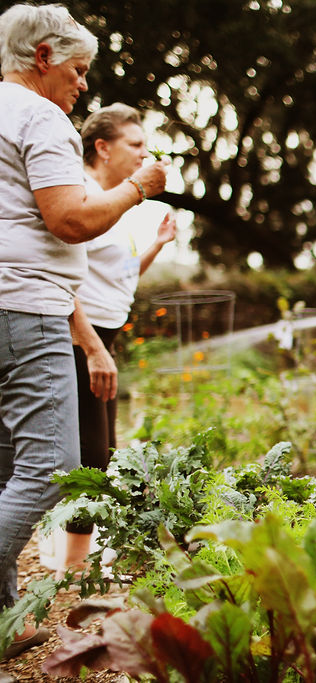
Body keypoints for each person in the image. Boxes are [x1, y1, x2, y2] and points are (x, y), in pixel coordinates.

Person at [0, 3, 167, 663]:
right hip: (33, 308)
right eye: (76, 68)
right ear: (41, 57)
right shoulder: (39, 115)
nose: (82, 83)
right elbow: (69, 222)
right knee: (53, 468)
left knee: (8, 464)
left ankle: (8, 619)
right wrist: (138, 188)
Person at [60, 103, 178, 577]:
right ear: (102, 147)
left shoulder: (120, 206)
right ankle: (69, 568)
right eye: (135, 145)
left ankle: (75, 560)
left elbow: (121, 277)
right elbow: (61, 282)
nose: (144, 155)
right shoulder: (82, 197)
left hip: (102, 335)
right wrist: (91, 346)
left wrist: (157, 245)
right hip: (78, 336)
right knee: (91, 453)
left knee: (102, 449)